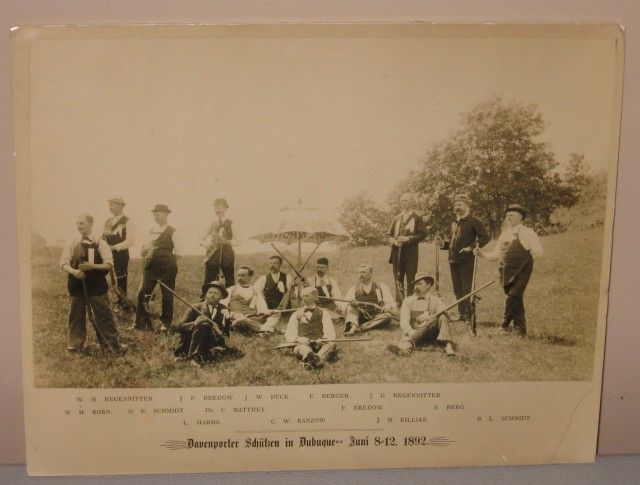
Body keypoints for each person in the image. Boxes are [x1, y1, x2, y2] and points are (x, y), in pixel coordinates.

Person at [60, 214, 127, 354]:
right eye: (77, 223)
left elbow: (109, 264)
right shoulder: (72, 242)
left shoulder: (101, 243)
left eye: (82, 223)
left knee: (103, 315)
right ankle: (74, 347)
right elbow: (63, 263)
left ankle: (111, 346)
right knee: (76, 316)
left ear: (91, 224)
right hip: (76, 286)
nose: (79, 226)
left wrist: (92, 266)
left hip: (96, 287)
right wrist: (74, 272)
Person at [477, 204, 543, 336]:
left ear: (520, 218)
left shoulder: (527, 232)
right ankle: (521, 330)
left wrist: (526, 261)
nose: (508, 218)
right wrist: (481, 254)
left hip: (521, 271)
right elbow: (496, 255)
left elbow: (539, 252)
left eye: (511, 215)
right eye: (507, 215)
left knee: (512, 296)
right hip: (505, 272)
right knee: (516, 299)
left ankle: (504, 325)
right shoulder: (504, 234)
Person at [436, 194, 489, 322]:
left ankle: (469, 315)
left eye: (460, 204)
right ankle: (461, 313)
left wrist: (470, 248)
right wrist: (442, 243)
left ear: (467, 206)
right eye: (455, 205)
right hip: (453, 260)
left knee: (466, 288)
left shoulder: (474, 221)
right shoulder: (455, 223)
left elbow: (485, 238)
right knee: (457, 288)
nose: (457, 207)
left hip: (467, 260)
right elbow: (453, 243)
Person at [134, 204, 182, 332]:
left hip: (167, 267)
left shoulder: (173, 231)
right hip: (151, 266)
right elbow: (145, 248)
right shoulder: (151, 230)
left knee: (167, 295)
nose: (156, 216)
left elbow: (178, 253)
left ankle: (165, 323)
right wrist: (143, 252)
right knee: (142, 292)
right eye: (154, 213)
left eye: (159, 213)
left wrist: (167, 264)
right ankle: (140, 323)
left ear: (166, 214)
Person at [173, 281, 242, 367]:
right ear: (205, 294)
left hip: (210, 341)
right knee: (204, 325)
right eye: (210, 292)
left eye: (216, 293)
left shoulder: (224, 310)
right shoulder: (195, 307)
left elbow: (226, 332)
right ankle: (194, 358)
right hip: (190, 340)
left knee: (235, 353)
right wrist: (195, 323)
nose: (212, 295)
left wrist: (217, 330)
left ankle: (206, 353)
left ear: (221, 297)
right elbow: (180, 327)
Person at [386, 274, 455, 356]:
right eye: (415, 284)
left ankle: (448, 346)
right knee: (426, 323)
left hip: (432, 334)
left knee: (442, 316)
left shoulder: (436, 300)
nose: (416, 287)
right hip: (414, 333)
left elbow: (447, 315)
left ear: (428, 286)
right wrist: (409, 331)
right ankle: (405, 348)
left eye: (419, 284)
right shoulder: (408, 301)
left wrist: (429, 317)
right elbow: (404, 320)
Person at [284, 287, 337, 369]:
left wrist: (323, 339)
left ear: (314, 297)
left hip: (319, 344)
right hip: (303, 344)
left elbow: (330, 332)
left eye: (306, 296)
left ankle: (316, 358)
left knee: (331, 343)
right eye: (303, 296)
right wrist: (299, 339)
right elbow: (289, 334)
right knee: (301, 348)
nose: (304, 299)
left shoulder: (324, 313)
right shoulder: (296, 314)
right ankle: (313, 358)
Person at [388, 192, 426, 301]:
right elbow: (388, 235)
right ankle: (399, 302)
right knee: (398, 277)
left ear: (411, 201)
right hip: (397, 253)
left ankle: (410, 301)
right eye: (402, 201)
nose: (404, 203)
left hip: (411, 254)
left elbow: (423, 234)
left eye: (406, 200)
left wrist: (408, 239)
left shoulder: (417, 217)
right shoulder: (397, 218)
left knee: (411, 278)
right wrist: (394, 242)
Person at [343, 264, 397, 335]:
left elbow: (390, 302)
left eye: (364, 272)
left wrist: (387, 306)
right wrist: (350, 305)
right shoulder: (354, 289)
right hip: (360, 316)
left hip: (376, 316)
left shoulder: (381, 287)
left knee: (388, 316)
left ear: (371, 273)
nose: (361, 274)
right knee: (351, 307)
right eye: (359, 272)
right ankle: (352, 327)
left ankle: (360, 328)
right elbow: (345, 306)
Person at [221, 265, 273, 334]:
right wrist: (232, 314)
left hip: (251, 317)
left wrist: (267, 313)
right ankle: (265, 329)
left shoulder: (255, 291)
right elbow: (221, 307)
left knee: (270, 316)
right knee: (240, 321)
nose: (240, 278)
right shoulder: (230, 290)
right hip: (234, 318)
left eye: (243, 276)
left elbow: (262, 308)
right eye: (238, 275)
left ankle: (256, 328)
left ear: (250, 277)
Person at [102, 197, 135, 297]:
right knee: (102, 276)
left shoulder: (128, 221)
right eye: (109, 205)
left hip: (121, 255)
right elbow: (103, 237)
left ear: (121, 206)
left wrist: (114, 247)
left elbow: (130, 241)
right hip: (107, 254)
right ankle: (105, 300)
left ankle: (121, 303)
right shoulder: (108, 221)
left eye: (112, 205)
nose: (110, 207)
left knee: (120, 279)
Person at [253, 255, 294, 334]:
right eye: (271, 263)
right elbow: (255, 293)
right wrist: (262, 308)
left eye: (275, 263)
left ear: (281, 264)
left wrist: (292, 288)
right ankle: (267, 329)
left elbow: (293, 297)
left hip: (285, 310)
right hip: (270, 311)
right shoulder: (263, 278)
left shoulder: (288, 277)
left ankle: (269, 329)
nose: (272, 265)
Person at [201, 198, 235, 289]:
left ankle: (229, 300)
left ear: (225, 208)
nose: (217, 210)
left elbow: (239, 240)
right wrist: (206, 245)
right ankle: (204, 300)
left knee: (229, 279)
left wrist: (229, 242)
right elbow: (199, 237)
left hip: (227, 252)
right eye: (215, 208)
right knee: (209, 279)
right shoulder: (211, 223)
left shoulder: (232, 223)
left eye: (219, 207)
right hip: (213, 252)